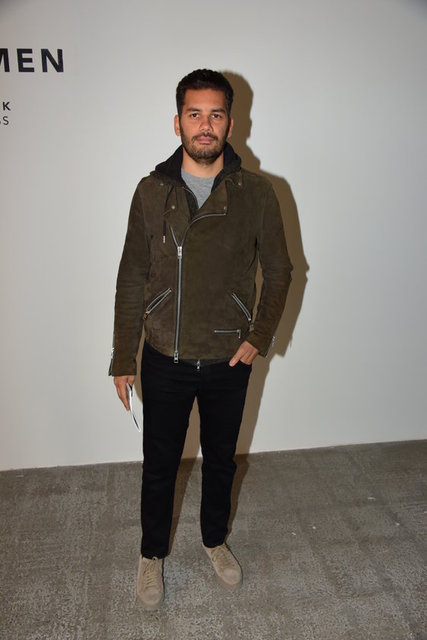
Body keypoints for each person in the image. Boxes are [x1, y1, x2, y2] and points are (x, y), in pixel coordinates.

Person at [110, 69, 292, 610]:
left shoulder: (256, 193)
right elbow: (131, 275)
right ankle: (151, 554)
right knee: (159, 465)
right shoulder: (151, 192)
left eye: (215, 115)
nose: (205, 125)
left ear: (231, 123)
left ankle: (214, 540)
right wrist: (122, 356)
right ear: (178, 122)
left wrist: (258, 336)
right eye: (195, 114)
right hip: (163, 356)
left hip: (227, 358)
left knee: (220, 462)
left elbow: (280, 271)